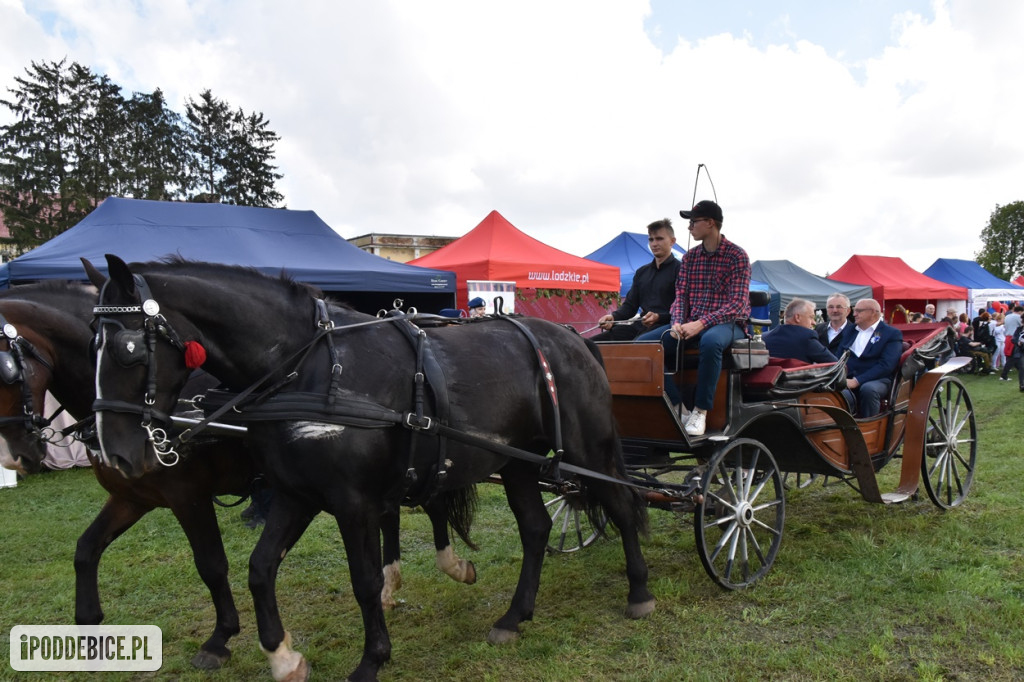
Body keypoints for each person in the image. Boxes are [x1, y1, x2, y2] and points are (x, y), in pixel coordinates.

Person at [661, 200, 750, 437]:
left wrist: (701, 323)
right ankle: (678, 407)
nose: (689, 227)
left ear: (710, 223)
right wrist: (677, 323)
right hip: (691, 324)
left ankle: (701, 410)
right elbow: (681, 295)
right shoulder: (690, 258)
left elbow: (738, 304)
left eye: (693, 222)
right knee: (645, 346)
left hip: (729, 324)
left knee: (710, 341)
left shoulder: (737, 256)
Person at [592, 219, 680, 341]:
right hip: (640, 326)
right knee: (592, 344)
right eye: (651, 239)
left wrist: (659, 317)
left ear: (672, 241)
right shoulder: (642, 272)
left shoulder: (681, 271)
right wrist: (613, 317)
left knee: (637, 346)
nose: (654, 243)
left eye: (659, 238)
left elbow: (685, 309)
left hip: (667, 328)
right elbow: (630, 306)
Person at [838, 298, 903, 418]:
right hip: (847, 377)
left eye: (859, 311)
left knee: (868, 389)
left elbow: (886, 365)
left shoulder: (891, 334)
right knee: (835, 392)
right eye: (854, 310)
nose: (854, 314)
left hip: (878, 379)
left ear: (873, 312)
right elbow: (839, 356)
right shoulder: (850, 331)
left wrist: (857, 381)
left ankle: (870, 428)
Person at [763, 298, 838, 364]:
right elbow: (835, 365)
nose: (814, 322)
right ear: (797, 317)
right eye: (811, 317)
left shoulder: (764, 338)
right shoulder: (806, 337)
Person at [1000, 305, 1024, 381]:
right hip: (1015, 338)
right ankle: (1004, 375)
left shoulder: (1007, 316)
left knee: (1011, 356)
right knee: (1013, 357)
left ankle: (1018, 370)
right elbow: (1021, 326)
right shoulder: (1018, 317)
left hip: (1007, 337)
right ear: (1020, 311)